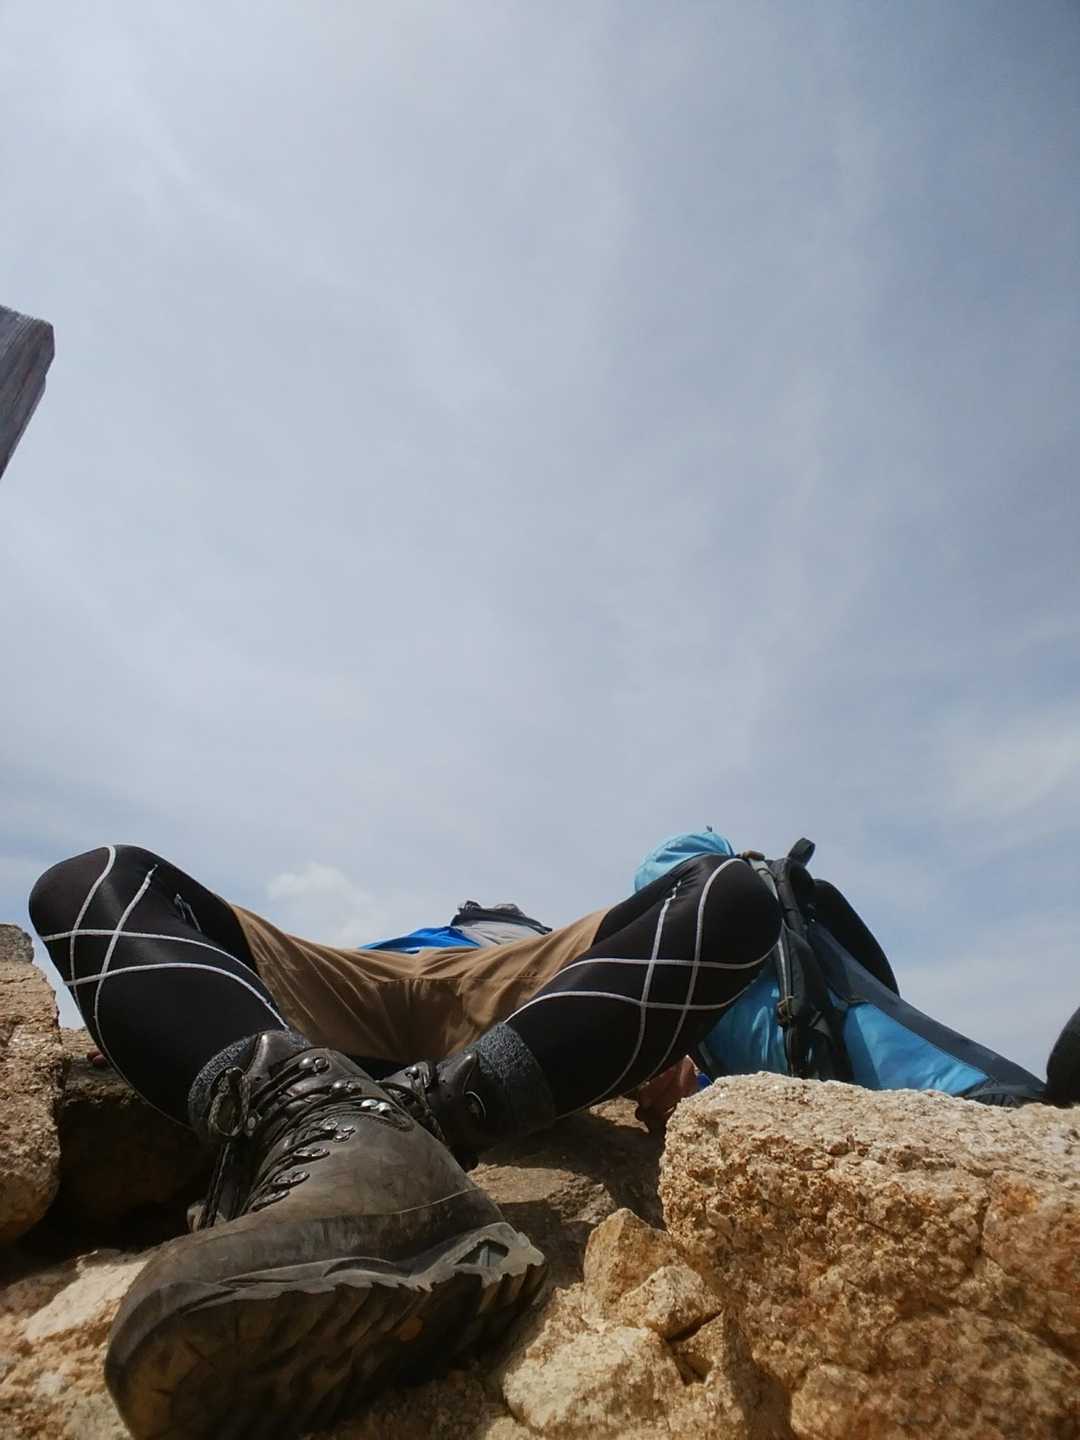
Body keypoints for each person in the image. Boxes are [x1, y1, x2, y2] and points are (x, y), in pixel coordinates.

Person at [28, 839, 781, 1440]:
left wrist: (673, 1051)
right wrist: (191, 1015)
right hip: (359, 979)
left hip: (518, 984)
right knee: (86, 881)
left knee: (734, 888)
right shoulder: (402, 940)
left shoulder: (525, 938)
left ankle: (413, 1120)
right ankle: (320, 1105)